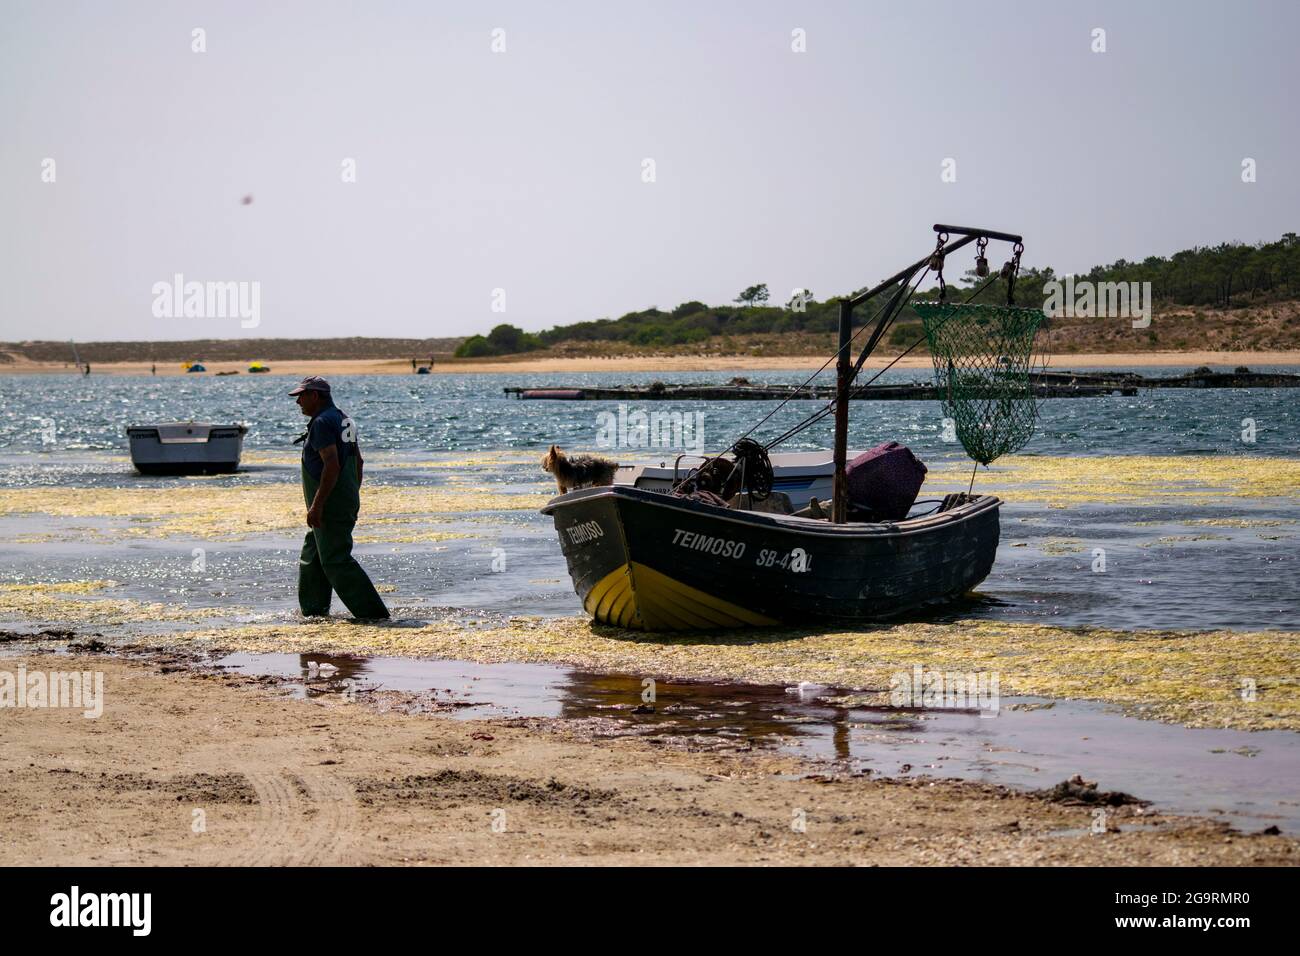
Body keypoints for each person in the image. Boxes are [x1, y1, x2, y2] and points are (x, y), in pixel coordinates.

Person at [289, 376, 389, 620]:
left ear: (316, 395)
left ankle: (373, 615)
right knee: (313, 554)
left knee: (335, 560)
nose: (298, 401)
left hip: (330, 503)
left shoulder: (323, 422)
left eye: (302, 396)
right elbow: (359, 462)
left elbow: (332, 465)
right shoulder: (344, 419)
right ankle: (314, 614)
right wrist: (352, 493)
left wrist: (317, 505)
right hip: (343, 498)